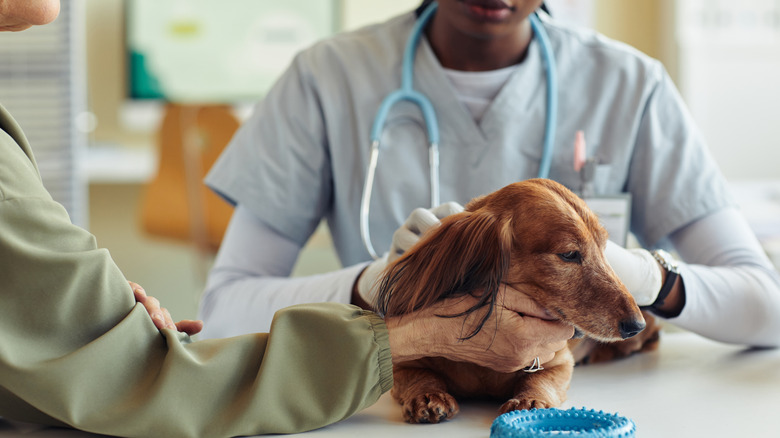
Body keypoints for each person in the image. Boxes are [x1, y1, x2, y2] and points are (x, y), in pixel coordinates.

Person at [0, 2, 574, 437]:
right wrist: (388, 296)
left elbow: (67, 371)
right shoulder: (329, 75)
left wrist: (660, 281)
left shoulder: (632, 84)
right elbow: (149, 375)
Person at [199, 0, 780, 351]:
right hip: (397, 407)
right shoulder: (326, 79)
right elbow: (225, 310)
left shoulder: (630, 85)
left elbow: (767, 308)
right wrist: (375, 285)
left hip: (573, 411)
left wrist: (645, 277)